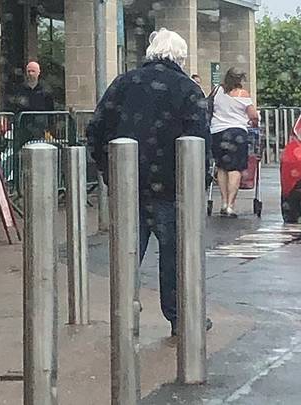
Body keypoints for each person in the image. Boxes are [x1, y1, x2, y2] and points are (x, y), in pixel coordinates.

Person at [87, 28, 212, 337]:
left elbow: (96, 130)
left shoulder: (123, 84)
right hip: (171, 185)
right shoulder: (187, 89)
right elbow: (200, 142)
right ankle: (179, 317)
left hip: (129, 184)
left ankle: (124, 314)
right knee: (175, 256)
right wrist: (199, 182)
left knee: (127, 254)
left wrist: (109, 171)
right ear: (180, 58)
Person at [209, 67, 259, 218]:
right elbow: (253, 115)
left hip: (217, 132)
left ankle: (223, 202)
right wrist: (253, 123)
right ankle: (231, 205)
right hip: (236, 134)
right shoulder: (242, 94)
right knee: (235, 169)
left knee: (222, 168)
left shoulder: (217, 91)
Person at [10, 61, 55, 190]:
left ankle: (40, 183)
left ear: (39, 72)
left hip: (39, 128)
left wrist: (50, 128)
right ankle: (19, 185)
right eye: (29, 71)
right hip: (23, 128)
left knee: (40, 154)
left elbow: (51, 110)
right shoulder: (20, 89)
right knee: (20, 155)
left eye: (33, 71)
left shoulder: (45, 90)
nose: (30, 74)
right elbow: (14, 107)